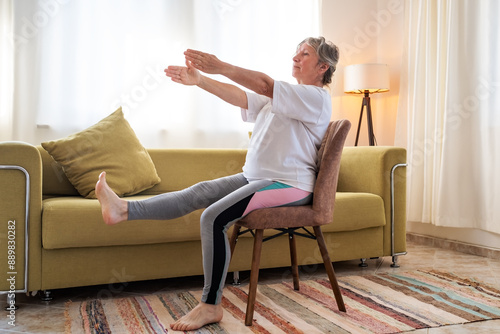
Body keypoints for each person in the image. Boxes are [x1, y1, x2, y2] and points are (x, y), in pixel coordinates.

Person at [96, 36, 339, 331]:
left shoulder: (316, 98)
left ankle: (210, 306)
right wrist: (200, 80)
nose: (296, 57)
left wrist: (220, 66)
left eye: (305, 54)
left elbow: (262, 84)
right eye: (296, 52)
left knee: (212, 218)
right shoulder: (288, 96)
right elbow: (244, 96)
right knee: (198, 193)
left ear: (323, 67)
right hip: (256, 177)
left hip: (289, 183)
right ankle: (122, 210)